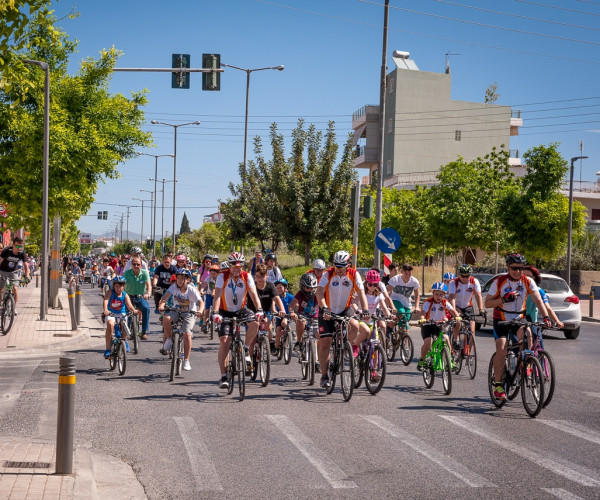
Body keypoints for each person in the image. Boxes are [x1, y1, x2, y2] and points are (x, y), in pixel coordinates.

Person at [484, 253, 552, 401]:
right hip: (501, 319)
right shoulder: (499, 281)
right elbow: (487, 303)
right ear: (508, 267)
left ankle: (525, 364)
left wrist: (546, 317)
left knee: (528, 334)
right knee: (501, 348)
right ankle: (498, 384)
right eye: (514, 268)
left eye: (521, 268)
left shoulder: (527, 281)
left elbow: (539, 301)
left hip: (519, 318)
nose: (518, 271)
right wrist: (503, 299)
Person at [316, 250, 369, 389]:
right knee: (326, 341)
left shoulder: (353, 274)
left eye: (341, 267)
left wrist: (366, 310)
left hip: (345, 308)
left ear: (348, 265)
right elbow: (319, 292)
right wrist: (325, 308)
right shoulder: (328, 274)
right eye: (336, 266)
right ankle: (324, 375)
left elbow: (362, 293)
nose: (338, 269)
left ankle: (348, 348)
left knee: (355, 325)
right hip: (327, 309)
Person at [211, 252, 263, 390]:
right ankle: (223, 376)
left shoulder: (247, 276)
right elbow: (217, 296)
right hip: (224, 311)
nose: (237, 268)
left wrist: (259, 309)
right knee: (225, 342)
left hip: (241, 309)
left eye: (240, 265)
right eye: (234, 265)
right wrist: (215, 313)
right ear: (229, 265)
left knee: (255, 323)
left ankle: (245, 348)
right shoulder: (222, 276)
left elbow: (253, 294)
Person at [158, 269, 204, 371]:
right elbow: (165, 298)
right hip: (176, 310)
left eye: (182, 278)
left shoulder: (192, 290)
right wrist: (161, 305)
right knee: (166, 318)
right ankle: (169, 339)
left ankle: (186, 360)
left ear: (187, 280)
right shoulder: (173, 287)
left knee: (187, 334)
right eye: (178, 278)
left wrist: (200, 310)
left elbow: (201, 302)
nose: (179, 280)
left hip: (189, 312)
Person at [353, 270, 393, 380]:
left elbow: (384, 307)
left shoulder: (379, 295)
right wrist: (359, 311)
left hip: (373, 322)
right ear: (366, 283)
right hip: (362, 321)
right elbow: (353, 303)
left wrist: (389, 315)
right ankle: (355, 346)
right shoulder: (362, 294)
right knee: (365, 331)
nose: (372, 287)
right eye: (370, 284)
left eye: (375, 284)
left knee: (375, 347)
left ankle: (374, 371)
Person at [417, 282, 461, 370]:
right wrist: (422, 318)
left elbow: (452, 310)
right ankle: (421, 360)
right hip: (428, 325)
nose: (438, 296)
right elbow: (423, 312)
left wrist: (457, 317)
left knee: (447, 338)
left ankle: (450, 360)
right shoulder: (428, 302)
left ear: (444, 295)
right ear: (433, 293)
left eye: (441, 294)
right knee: (428, 341)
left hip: (440, 325)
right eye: (436, 294)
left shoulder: (445, 302)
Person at [248, 264, 286, 354]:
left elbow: (277, 299)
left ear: (267, 276)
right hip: (252, 311)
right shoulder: (252, 286)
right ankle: (249, 361)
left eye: (262, 276)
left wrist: (282, 310)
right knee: (252, 340)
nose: (260, 279)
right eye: (257, 276)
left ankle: (270, 341)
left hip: (266, 311)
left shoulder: (270, 286)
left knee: (267, 324)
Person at [523, 265, 563, 345]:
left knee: (539, 344)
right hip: (520, 321)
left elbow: (548, 308)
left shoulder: (539, 291)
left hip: (533, 322)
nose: (527, 278)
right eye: (524, 276)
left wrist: (557, 321)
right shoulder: (519, 289)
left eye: (529, 276)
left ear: (534, 277)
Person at [448, 264, 485, 349]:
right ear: (459, 275)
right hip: (456, 306)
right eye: (463, 276)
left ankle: (469, 354)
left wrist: (481, 309)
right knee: (458, 322)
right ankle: (455, 339)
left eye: (467, 276)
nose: (465, 278)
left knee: (472, 331)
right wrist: (454, 311)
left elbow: (478, 295)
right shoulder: (453, 282)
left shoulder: (474, 281)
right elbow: (452, 297)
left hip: (468, 306)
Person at [102, 276, 138, 359]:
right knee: (110, 324)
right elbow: (106, 301)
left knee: (124, 324)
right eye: (117, 286)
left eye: (121, 286)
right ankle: (107, 349)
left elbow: (129, 305)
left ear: (124, 286)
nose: (118, 288)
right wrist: (106, 310)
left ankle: (125, 341)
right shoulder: (110, 292)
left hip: (121, 313)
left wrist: (134, 310)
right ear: (114, 286)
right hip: (111, 313)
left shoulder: (125, 295)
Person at [123, 255, 152, 340]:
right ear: (131, 265)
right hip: (128, 297)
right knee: (126, 313)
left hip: (140, 297)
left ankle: (144, 332)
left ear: (141, 265)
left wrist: (148, 293)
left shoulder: (145, 273)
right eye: (134, 264)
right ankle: (127, 331)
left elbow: (148, 285)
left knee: (146, 309)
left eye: (138, 264)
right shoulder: (127, 273)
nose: (136, 266)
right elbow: (122, 284)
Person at [289, 273, 320, 352]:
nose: (310, 290)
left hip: (316, 317)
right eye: (308, 288)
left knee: (319, 336)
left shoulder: (318, 293)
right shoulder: (300, 294)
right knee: (301, 322)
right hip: (303, 315)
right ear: (302, 287)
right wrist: (292, 312)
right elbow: (291, 305)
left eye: (312, 288)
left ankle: (318, 356)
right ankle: (299, 342)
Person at [0, 236, 30, 313]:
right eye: (17, 246)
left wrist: (27, 275)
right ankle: (1, 305)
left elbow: (26, 265)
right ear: (13, 245)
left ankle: (13, 308)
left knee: (15, 289)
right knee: (0, 289)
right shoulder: (7, 250)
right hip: (2, 271)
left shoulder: (21, 253)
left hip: (13, 272)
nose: (18, 248)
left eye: (20, 246)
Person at [386, 263, 420, 331]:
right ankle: (392, 325)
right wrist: (391, 306)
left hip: (407, 303)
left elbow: (417, 295)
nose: (407, 276)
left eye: (409, 274)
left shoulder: (414, 281)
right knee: (401, 312)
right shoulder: (395, 279)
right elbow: (388, 293)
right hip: (395, 300)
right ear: (402, 272)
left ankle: (405, 339)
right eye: (406, 274)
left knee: (406, 322)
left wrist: (417, 307)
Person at [274, 278, 294, 354]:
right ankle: (276, 348)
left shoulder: (291, 297)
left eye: (281, 287)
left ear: (285, 288)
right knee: (278, 329)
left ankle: (289, 332)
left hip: (288, 316)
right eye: (277, 288)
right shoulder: (276, 297)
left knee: (285, 324)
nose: (279, 289)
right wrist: (275, 312)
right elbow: (273, 306)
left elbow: (296, 305)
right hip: (279, 316)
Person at [201, 264, 220, 331]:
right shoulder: (209, 278)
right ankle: (204, 325)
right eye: (211, 274)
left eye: (214, 274)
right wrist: (202, 290)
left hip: (217, 296)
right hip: (209, 295)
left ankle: (218, 324)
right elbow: (204, 284)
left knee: (217, 310)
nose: (213, 275)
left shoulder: (219, 279)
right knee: (207, 309)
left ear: (218, 273)